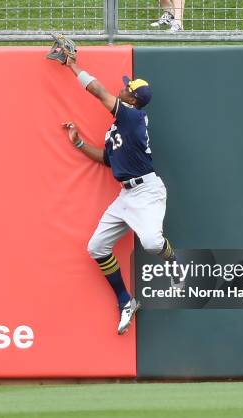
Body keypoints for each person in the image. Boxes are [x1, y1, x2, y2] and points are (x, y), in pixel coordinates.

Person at [58, 56, 178, 335]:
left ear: (132, 100)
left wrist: (71, 65)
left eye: (126, 89)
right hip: (125, 196)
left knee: (150, 242)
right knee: (96, 247)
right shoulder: (119, 127)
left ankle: (174, 263)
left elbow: (99, 91)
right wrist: (78, 143)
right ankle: (125, 301)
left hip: (147, 191)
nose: (121, 89)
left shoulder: (132, 116)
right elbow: (107, 160)